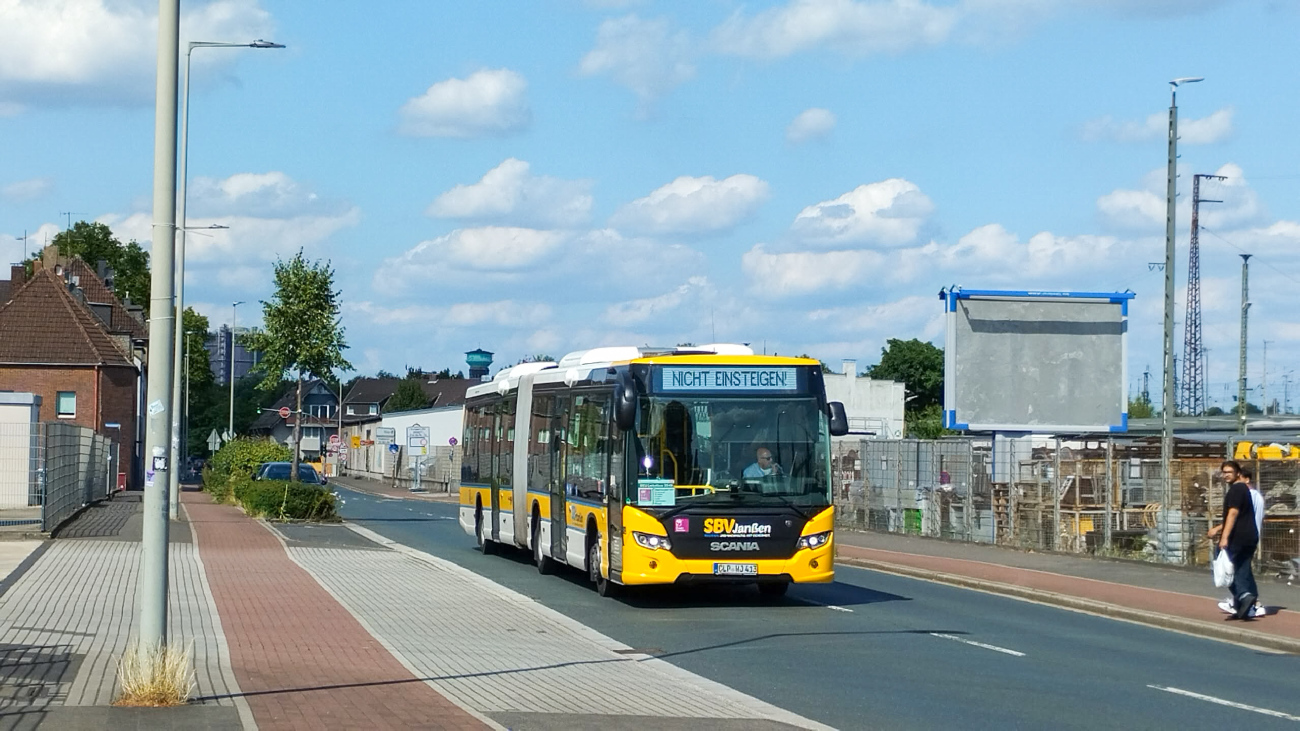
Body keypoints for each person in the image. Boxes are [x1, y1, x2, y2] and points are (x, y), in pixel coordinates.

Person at [1208, 460, 1259, 620]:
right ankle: (1243, 605)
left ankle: (1244, 596)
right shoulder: (1245, 489)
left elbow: (1233, 514)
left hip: (1237, 538)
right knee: (1242, 570)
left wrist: (1224, 537)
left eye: (1229, 472)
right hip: (1250, 537)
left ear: (1238, 473)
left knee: (1224, 567)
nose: (1226, 475)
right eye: (1224, 472)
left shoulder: (1236, 490)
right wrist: (1218, 528)